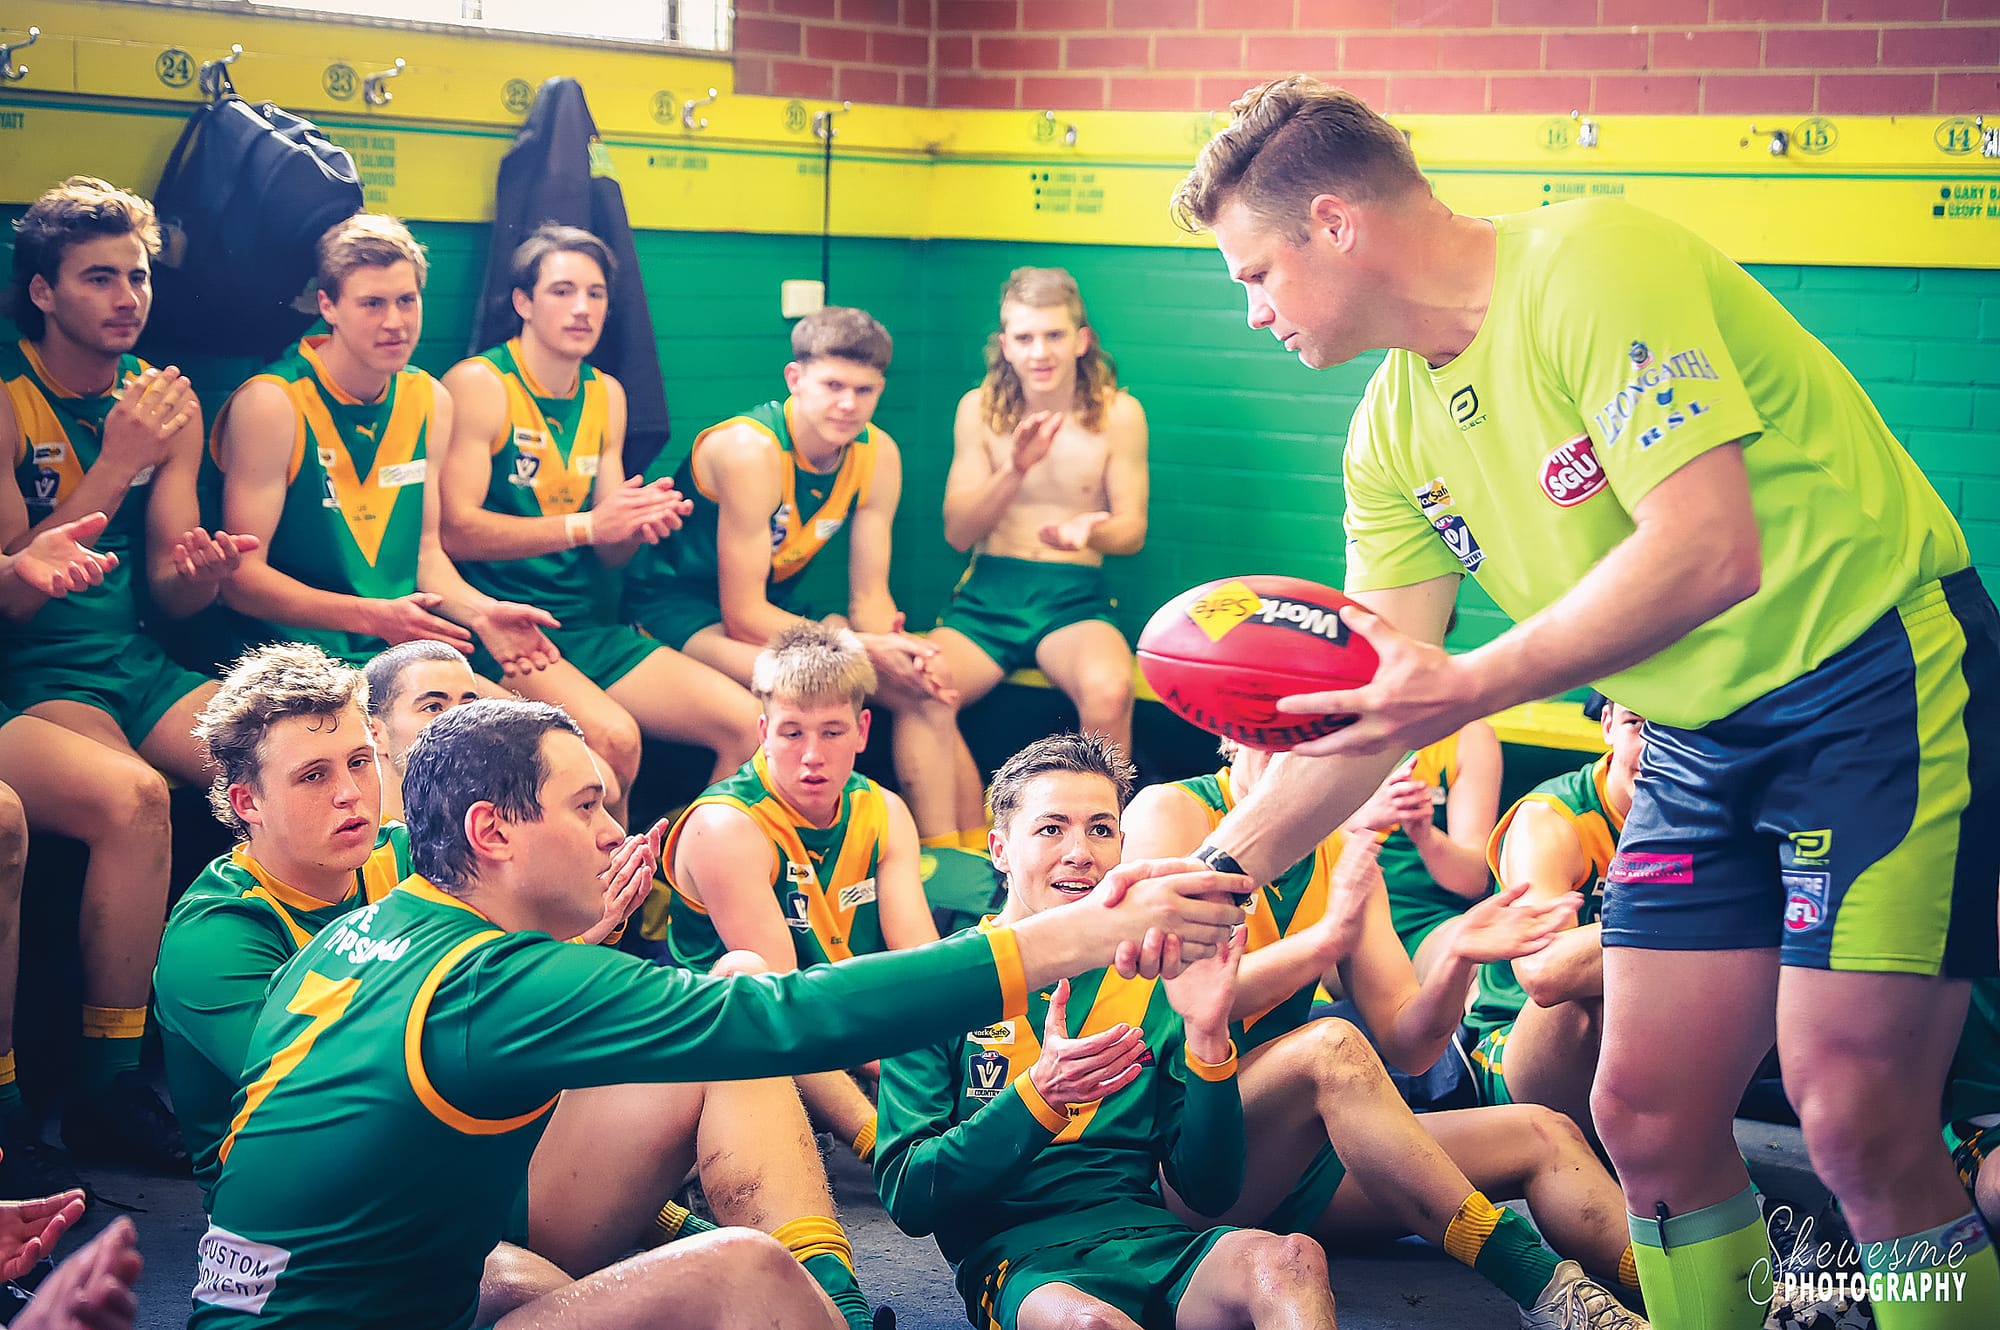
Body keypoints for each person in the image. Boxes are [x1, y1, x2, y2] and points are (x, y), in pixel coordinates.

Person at [1170, 75, 1999, 1329]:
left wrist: (1466, 683)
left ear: (1332, 222)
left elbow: (1709, 548)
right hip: (1689, 741)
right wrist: (1214, 871)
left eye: (1252, 275)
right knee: (1644, 1116)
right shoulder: (1386, 432)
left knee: (1853, 1110)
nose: (1250, 313)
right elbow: (1370, 710)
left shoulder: (1588, 261)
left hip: (1870, 682)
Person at [190, 697, 1246, 1329]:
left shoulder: (357, 935)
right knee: (741, 1266)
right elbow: (786, 1019)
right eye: (587, 805)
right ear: (491, 830)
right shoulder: (492, 982)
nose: (616, 835)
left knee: (510, 1270)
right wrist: (1077, 936)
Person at [1124, 740, 1648, 1328]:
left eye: (1320, 729)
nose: (1299, 744)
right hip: (1178, 1157)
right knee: (1331, 1046)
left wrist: (1457, 960)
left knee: (1545, 1134)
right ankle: (1541, 1285)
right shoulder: (1172, 810)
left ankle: (1698, 1296)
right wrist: (1327, 939)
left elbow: (1412, 1047)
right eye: (1271, 719)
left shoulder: (1338, 850)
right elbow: (1186, 995)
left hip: (1287, 1158)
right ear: (1228, 728)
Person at [876, 732, 1340, 1330]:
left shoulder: (1153, 979)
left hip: (1154, 1237)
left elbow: (1210, 1190)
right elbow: (911, 1197)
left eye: (1100, 829)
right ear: (999, 849)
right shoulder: (937, 985)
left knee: (1293, 1259)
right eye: (1051, 829)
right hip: (1023, 1261)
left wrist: (1208, 1041)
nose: (1080, 853)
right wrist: (1036, 1098)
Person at [621, 306, 969, 840]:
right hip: (678, 612)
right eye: (833, 385)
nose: (849, 404)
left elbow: (871, 594)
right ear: (794, 379)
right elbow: (741, 616)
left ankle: (945, 868)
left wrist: (892, 646)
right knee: (809, 692)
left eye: (865, 390)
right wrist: (856, 646)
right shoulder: (750, 450)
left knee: (926, 691)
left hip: (774, 614)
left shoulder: (879, 455)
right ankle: (685, 870)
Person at [439, 224, 759, 806]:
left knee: (749, 725)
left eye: (596, 293)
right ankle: (611, 895)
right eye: (562, 291)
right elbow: (454, 532)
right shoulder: (480, 384)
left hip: (588, 624)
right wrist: (588, 525)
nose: (582, 308)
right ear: (523, 303)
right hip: (505, 626)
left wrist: (637, 523)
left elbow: (610, 547)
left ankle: (687, 888)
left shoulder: (606, 392)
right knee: (615, 738)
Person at [213, 213, 557, 675]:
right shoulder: (273, 402)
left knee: (535, 740)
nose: (394, 322)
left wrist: (482, 613)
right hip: (292, 659)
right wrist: (372, 615)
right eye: (372, 303)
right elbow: (240, 580)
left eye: (406, 300)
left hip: (394, 645)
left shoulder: (430, 398)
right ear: (328, 306)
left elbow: (425, 554)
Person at [1, 175, 256, 786]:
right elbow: (13, 596)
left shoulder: (164, 400)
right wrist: (115, 465)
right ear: (43, 291)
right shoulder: (10, 397)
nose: (127, 298)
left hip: (138, 663)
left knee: (283, 771)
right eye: (99, 278)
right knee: (138, 797)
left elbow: (171, 593)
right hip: (36, 675)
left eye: (138, 277)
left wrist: (202, 578)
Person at [663, 621, 941, 1161]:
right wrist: (903, 1063)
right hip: (730, 1047)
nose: (812, 755)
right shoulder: (725, 824)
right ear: (763, 729)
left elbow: (920, 960)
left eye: (832, 732)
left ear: (862, 730)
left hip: (844, 1030)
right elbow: (786, 998)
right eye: (792, 733)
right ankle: (888, 1150)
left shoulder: (883, 809)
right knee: (751, 980)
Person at [917, 268, 1149, 845]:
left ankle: (1103, 850)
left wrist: (1090, 532)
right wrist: (1015, 467)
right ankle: (960, 846)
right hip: (988, 594)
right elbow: (956, 531)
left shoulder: (1118, 414)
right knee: (921, 682)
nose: (1039, 351)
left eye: (1052, 335)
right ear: (1004, 345)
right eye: (1023, 338)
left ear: (1081, 340)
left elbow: (1132, 531)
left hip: (1072, 598)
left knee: (1111, 690)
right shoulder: (980, 410)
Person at [1460, 694, 1643, 1143]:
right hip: (1513, 1049)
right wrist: (1698, 922)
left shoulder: (1711, 817)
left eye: (1678, 731)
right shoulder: (1553, 816)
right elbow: (1544, 975)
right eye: (1638, 724)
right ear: (1608, 725)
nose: (1656, 749)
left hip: (1645, 1054)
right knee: (1585, 989)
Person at [1346, 718, 1501, 978]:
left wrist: (1426, 837)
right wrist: (1363, 819)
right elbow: (1281, 859)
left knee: (1482, 962)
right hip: (1341, 918)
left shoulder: (1466, 736)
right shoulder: (1316, 729)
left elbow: (1474, 881)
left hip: (1425, 921)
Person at [362, 639, 485, 823]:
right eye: (433, 707)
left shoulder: (499, 828)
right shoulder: (356, 848)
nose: (461, 721)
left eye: (469, 707)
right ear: (375, 735)